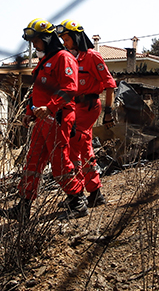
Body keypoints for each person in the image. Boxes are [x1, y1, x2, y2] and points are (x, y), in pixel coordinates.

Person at [0, 18, 87, 222]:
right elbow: (37, 93)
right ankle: (23, 206)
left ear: (46, 39)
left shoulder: (63, 58)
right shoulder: (45, 62)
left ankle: (78, 200)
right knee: (32, 162)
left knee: (59, 162)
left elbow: (70, 89)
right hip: (41, 120)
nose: (34, 45)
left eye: (36, 41)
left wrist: (51, 107)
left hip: (57, 117)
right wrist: (29, 111)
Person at [56, 19, 116, 208]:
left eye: (67, 39)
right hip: (73, 107)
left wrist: (108, 113)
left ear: (76, 37)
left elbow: (109, 85)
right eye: (63, 40)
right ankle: (95, 193)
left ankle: (78, 194)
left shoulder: (92, 56)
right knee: (85, 149)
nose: (65, 43)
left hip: (89, 107)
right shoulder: (68, 58)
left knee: (73, 145)